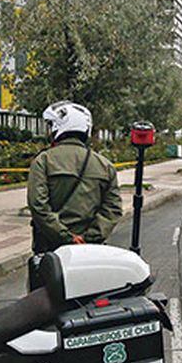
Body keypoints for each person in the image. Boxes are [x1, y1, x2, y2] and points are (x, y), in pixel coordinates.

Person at [28, 101, 122, 257]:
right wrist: (89, 237)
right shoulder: (105, 165)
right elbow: (113, 208)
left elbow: (38, 206)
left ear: (60, 126)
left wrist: (66, 237)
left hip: (50, 249)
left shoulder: (43, 161)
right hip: (91, 249)